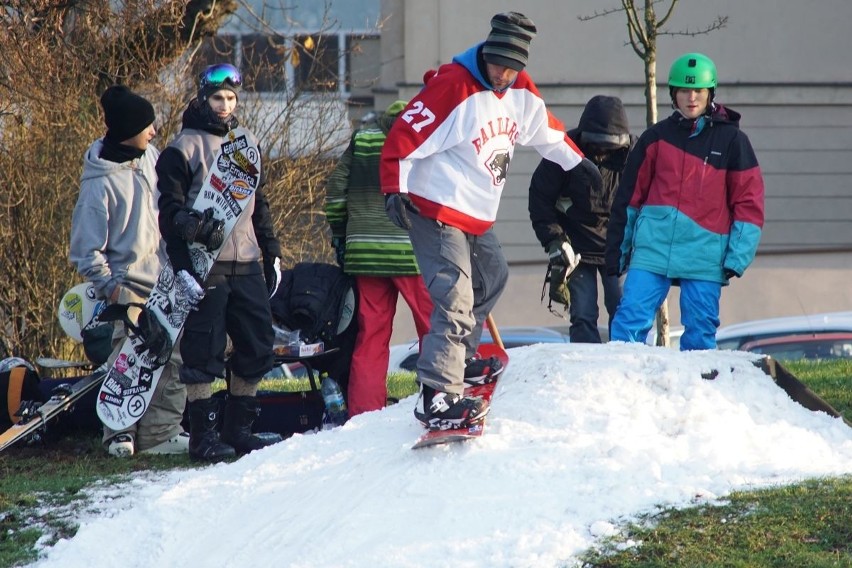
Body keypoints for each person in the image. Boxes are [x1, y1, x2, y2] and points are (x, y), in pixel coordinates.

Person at [380, 12, 602, 431]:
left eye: (512, 69)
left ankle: (460, 359)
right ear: (487, 54)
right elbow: (403, 136)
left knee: (493, 276)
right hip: (435, 207)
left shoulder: (520, 90)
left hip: (476, 214)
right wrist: (394, 187)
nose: (503, 75)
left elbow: (547, 132)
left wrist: (578, 163)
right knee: (454, 297)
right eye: (498, 65)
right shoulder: (453, 86)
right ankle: (438, 395)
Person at [156, 63, 283, 462]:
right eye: (217, 98)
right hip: (204, 265)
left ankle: (238, 430)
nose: (225, 106)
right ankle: (203, 438)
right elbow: (168, 215)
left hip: (245, 260)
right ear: (202, 98)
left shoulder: (247, 145)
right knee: (203, 350)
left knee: (258, 344)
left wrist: (272, 252)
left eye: (231, 98)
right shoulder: (182, 148)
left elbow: (259, 205)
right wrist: (181, 269)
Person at [605, 52, 765, 350]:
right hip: (653, 249)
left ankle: (699, 394)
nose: (691, 97)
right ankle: (621, 389)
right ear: (673, 94)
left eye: (698, 91)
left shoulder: (733, 141)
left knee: (700, 333)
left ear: (710, 93)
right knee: (628, 323)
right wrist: (618, 249)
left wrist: (737, 255)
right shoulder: (655, 139)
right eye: (683, 90)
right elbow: (628, 199)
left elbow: (749, 203)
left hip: (704, 254)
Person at [69, 85, 188, 457]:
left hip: (164, 278)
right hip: (127, 285)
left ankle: (160, 432)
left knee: (172, 356)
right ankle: (119, 433)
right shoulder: (99, 183)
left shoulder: (151, 157)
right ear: (127, 130)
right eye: (147, 125)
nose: (154, 131)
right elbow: (85, 250)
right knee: (127, 359)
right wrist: (112, 287)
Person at [324, 100, 434, 417]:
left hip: (366, 254)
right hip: (414, 252)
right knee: (433, 330)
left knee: (371, 336)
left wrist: (342, 232)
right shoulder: (425, 138)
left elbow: (335, 186)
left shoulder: (365, 138)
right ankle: (437, 398)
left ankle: (364, 413)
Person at [529, 95, 636, 343]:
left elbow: (654, 201)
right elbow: (540, 200)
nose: (601, 152)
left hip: (620, 247)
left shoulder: (636, 157)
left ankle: (627, 362)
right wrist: (555, 240)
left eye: (609, 148)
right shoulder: (562, 153)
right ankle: (585, 365)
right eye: (596, 146)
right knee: (583, 313)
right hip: (576, 250)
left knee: (624, 309)